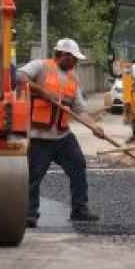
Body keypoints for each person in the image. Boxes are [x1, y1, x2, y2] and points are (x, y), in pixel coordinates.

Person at [17, 38, 109, 228]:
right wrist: (42, 92)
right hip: (39, 136)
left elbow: (80, 109)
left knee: (78, 165)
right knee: (34, 176)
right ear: (64, 55)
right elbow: (18, 77)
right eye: (74, 58)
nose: (76, 62)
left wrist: (94, 127)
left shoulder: (73, 79)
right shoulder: (41, 67)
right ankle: (29, 214)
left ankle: (79, 209)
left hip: (62, 136)